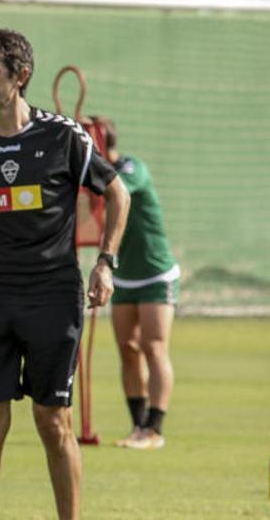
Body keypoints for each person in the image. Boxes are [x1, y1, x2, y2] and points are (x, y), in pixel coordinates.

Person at [0, 28, 130, 520]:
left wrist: (105, 262)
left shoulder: (62, 136)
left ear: (20, 77)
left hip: (52, 297)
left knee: (52, 421)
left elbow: (118, 193)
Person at [89, 116, 179, 451]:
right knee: (128, 349)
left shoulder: (130, 167)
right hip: (122, 272)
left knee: (154, 347)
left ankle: (155, 429)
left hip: (155, 273)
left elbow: (119, 190)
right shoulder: (88, 175)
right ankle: (138, 426)